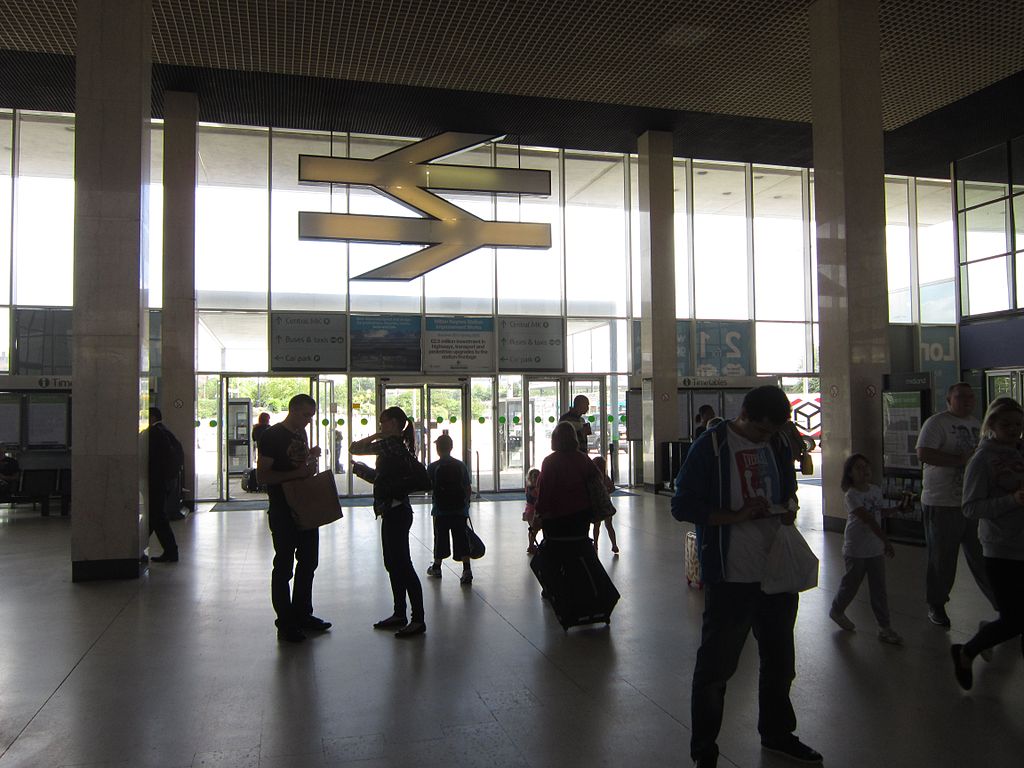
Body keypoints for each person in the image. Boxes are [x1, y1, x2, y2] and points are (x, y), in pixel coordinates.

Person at [671, 385, 821, 768]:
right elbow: (682, 503)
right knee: (716, 669)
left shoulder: (779, 443)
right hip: (731, 575)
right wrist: (736, 516)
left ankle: (777, 733)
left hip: (776, 571)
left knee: (780, 661)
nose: (766, 438)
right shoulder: (711, 447)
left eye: (773, 432)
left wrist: (789, 507)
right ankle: (704, 749)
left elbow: (788, 490)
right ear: (744, 416)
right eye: (761, 430)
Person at [951, 397, 1024, 691]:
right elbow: (970, 508)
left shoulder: (1020, 454)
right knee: (1015, 620)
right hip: (1002, 549)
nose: (1013, 430)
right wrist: (1012, 500)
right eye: (1006, 424)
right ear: (991, 425)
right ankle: (967, 651)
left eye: (1018, 425)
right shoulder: (982, 460)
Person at [916, 382, 996, 628]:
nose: (967, 400)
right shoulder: (936, 423)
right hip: (942, 503)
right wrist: (960, 461)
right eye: (961, 397)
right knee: (943, 559)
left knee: (983, 557)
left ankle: (1003, 604)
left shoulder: (976, 424)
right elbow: (924, 453)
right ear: (949, 400)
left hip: (971, 502)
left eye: (971, 397)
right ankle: (937, 604)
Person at [256, 394, 330, 644]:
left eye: (311, 416)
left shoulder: (300, 434)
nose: (309, 421)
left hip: (305, 506)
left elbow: (295, 463)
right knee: (284, 566)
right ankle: (285, 621)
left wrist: (310, 455)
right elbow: (263, 476)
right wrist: (300, 471)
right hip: (283, 509)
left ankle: (302, 614)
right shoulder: (272, 436)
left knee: (309, 562)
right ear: (293, 411)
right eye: (305, 415)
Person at [350, 406, 426, 638]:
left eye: (383, 421)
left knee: (401, 564)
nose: (380, 425)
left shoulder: (391, 444)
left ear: (393, 423)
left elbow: (355, 447)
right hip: (394, 510)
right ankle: (400, 613)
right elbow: (386, 480)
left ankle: (416, 618)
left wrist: (377, 436)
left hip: (396, 512)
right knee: (394, 563)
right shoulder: (397, 446)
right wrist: (365, 473)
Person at [829, 453, 911, 645]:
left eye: (866, 467)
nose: (864, 471)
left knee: (879, 589)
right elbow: (868, 519)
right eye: (858, 468)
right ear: (850, 473)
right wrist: (886, 542)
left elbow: (879, 511)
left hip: (874, 548)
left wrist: (898, 509)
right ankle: (837, 610)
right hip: (856, 548)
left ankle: (884, 627)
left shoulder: (875, 490)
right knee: (851, 585)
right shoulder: (851, 495)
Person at [535, 422, 601, 539]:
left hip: (555, 517)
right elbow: (598, 478)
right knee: (579, 546)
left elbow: (545, 491)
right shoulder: (583, 459)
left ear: (554, 439)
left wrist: (539, 513)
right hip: (581, 515)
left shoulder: (550, 462)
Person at [425, 433, 474, 585]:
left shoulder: (433, 467)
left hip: (440, 510)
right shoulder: (460, 465)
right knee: (461, 538)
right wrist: (466, 504)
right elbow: (467, 487)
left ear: (438, 449)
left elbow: (428, 487)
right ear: (451, 448)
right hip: (459, 510)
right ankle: (467, 570)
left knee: (440, 538)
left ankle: (437, 567)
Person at [145, 407, 184, 563]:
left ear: (153, 417)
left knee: (157, 516)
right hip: (167, 480)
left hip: (158, 481)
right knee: (156, 516)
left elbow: (153, 459)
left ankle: (170, 550)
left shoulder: (155, 433)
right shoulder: (165, 431)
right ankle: (138, 547)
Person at [591, 455, 619, 554]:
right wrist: (606, 492)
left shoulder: (594, 478)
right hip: (606, 504)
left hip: (597, 505)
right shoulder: (605, 477)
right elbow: (612, 488)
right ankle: (614, 544)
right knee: (609, 525)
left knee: (596, 526)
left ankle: (595, 545)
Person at [523, 467, 540, 555]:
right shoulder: (534, 489)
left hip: (529, 511)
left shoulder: (528, 487)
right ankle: (531, 545)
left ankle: (531, 545)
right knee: (534, 530)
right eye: (535, 476)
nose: (537, 478)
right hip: (533, 512)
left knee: (532, 530)